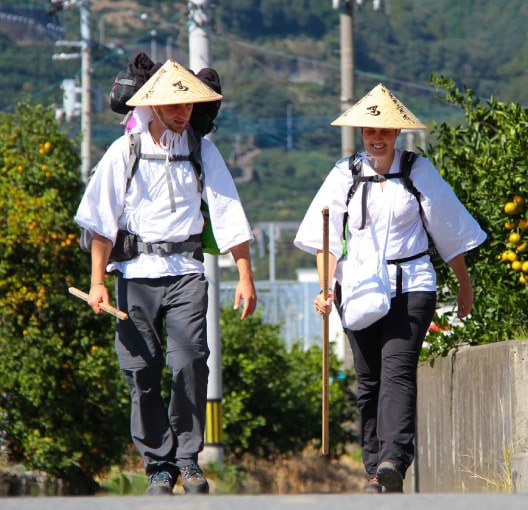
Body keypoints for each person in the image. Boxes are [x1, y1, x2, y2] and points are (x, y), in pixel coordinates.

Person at [74, 59, 257, 496]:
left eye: (189, 103)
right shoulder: (125, 150)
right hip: (134, 274)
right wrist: (97, 282)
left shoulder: (201, 150)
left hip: (186, 272)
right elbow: (102, 223)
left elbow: (229, 212)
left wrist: (245, 276)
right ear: (154, 104)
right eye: (175, 103)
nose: (184, 111)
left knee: (190, 361)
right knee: (141, 371)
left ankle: (188, 460)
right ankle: (158, 464)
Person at [294, 83, 486, 494]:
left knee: (397, 371)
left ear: (398, 133)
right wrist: (326, 287)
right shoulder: (344, 174)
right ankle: (374, 469)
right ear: (361, 133)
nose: (376, 138)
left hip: (411, 287)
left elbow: (448, 230)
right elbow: (324, 236)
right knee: (369, 381)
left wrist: (464, 285)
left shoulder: (418, 171)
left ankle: (391, 461)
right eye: (369, 131)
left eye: (384, 131)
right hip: (359, 288)